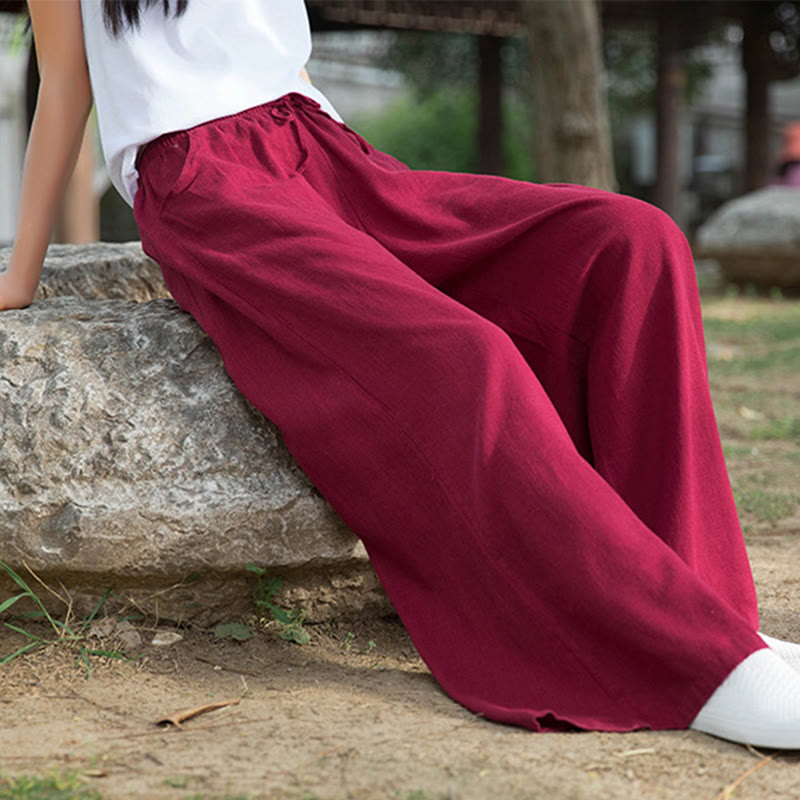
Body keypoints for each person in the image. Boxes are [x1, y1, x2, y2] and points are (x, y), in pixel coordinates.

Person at [3, 0, 800, 748]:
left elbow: (279, 63)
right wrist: (21, 272)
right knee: (465, 358)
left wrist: (368, 194)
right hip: (204, 183)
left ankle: (700, 613)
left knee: (632, 241)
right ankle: (687, 664)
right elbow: (65, 85)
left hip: (326, 153)